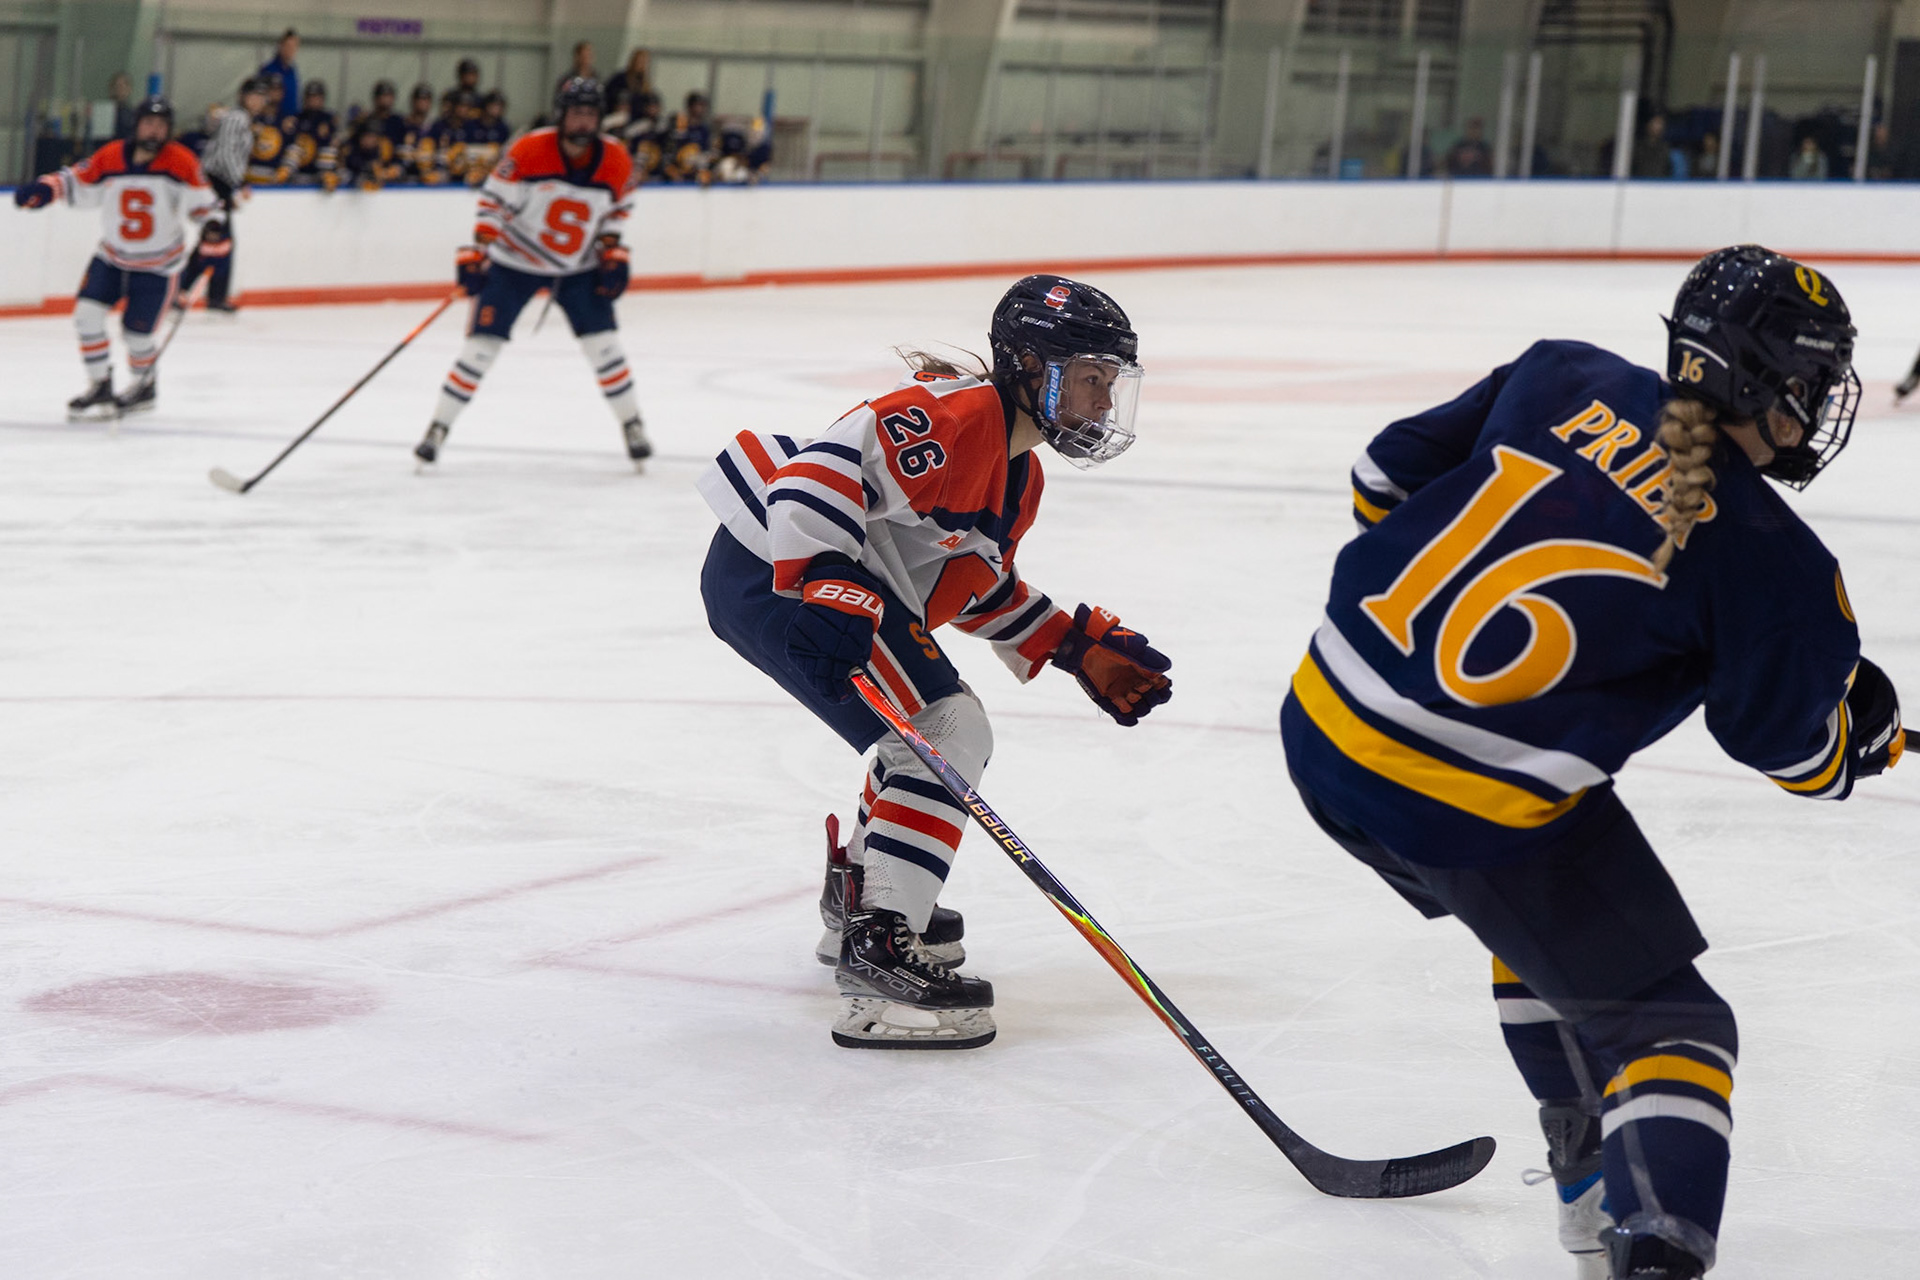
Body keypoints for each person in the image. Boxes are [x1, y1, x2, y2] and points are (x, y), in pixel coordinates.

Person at [1282, 245, 1898, 1280]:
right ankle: (1644, 1247)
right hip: (1462, 801)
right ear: (1764, 381)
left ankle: (1588, 1175)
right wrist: (1852, 740)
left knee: (1541, 922)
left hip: (1322, 722)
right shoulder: (1775, 561)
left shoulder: (1562, 370)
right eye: (1812, 382)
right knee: (1677, 1031)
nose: (1818, 407)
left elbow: (1384, 476)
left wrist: (1424, 658)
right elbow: (1782, 745)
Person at [696, 275, 1173, 1050]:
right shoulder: (953, 414)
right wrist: (829, 580)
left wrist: (1068, 643)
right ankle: (879, 955)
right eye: (1090, 378)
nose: (1104, 402)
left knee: (921, 732)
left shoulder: (1020, 476)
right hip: (770, 568)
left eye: (1110, 383)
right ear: (1029, 365)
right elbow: (815, 476)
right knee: (948, 728)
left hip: (792, 579)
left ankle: (862, 905)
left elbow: (965, 585)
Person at [413, 77, 650, 469]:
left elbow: (619, 209)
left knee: (605, 347)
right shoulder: (529, 150)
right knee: (480, 348)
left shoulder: (616, 159)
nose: (583, 121)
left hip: (578, 269)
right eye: (576, 113)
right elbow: (493, 201)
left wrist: (612, 251)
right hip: (513, 264)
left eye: (591, 114)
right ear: (561, 114)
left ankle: (632, 424)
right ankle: (438, 428)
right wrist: (479, 251)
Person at [12, 96, 216, 419]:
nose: (154, 130)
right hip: (112, 258)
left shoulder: (181, 161)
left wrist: (215, 231)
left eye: (161, 125)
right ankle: (100, 385)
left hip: (158, 267)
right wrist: (47, 189)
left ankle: (144, 386)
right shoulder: (111, 156)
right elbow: (77, 179)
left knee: (137, 334)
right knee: (86, 316)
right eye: (148, 123)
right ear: (137, 125)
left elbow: (204, 206)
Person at [175, 75, 266, 314]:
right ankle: (199, 293)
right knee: (216, 241)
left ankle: (201, 293)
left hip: (221, 184)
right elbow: (226, 154)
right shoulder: (237, 118)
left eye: (261, 96)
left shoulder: (243, 120)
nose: (257, 101)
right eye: (254, 95)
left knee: (215, 241)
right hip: (217, 184)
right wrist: (237, 184)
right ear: (243, 96)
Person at [340, 80, 409, 190]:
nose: (385, 99)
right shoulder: (364, 121)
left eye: (388, 96)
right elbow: (350, 149)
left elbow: (403, 151)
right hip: (365, 170)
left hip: (389, 172)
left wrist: (396, 168)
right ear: (375, 98)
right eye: (382, 95)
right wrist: (364, 168)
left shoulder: (398, 122)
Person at [285, 80, 340, 190]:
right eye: (311, 97)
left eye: (317, 97)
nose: (314, 100)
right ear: (305, 99)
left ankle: (327, 174)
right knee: (294, 147)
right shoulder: (297, 118)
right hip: (300, 171)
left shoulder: (328, 119)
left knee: (330, 146)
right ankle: (286, 172)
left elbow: (334, 145)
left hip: (320, 173)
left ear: (323, 99)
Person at [463, 91, 511, 185]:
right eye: (494, 105)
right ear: (486, 106)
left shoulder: (503, 127)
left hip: (493, 168)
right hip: (470, 166)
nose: (497, 109)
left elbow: (505, 152)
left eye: (500, 106)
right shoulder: (471, 125)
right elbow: (464, 147)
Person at [257, 29, 300, 119]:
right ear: (280, 46)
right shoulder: (268, 69)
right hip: (272, 120)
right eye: (288, 46)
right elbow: (259, 97)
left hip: (290, 120)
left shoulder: (292, 71)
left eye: (294, 46)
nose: (291, 50)